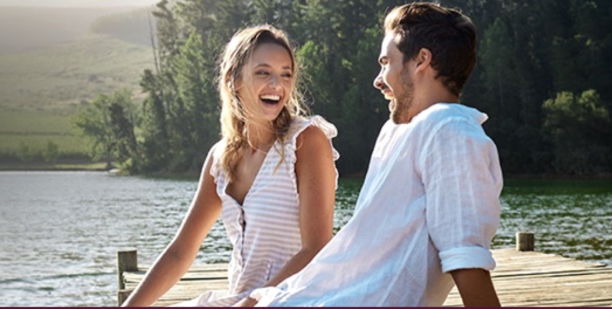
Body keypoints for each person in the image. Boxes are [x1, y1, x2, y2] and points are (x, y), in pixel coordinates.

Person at [244, 2, 503, 307]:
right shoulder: (398, 131)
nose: (378, 80)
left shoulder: (450, 132)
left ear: (422, 60)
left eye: (386, 63)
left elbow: (466, 257)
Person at [120, 25, 339, 307]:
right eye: (263, 72)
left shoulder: (306, 140)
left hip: (296, 299)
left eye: (286, 74)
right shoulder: (221, 159)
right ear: (234, 79)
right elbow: (180, 252)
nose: (277, 84)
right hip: (240, 300)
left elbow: (315, 248)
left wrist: (249, 305)